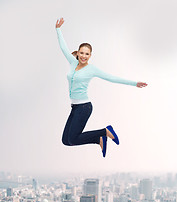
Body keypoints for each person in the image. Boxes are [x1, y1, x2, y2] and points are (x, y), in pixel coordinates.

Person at [55, 17, 147, 157]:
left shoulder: (92, 69)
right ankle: (99, 139)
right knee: (66, 141)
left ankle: (105, 131)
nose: (83, 56)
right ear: (78, 53)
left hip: (84, 108)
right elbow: (63, 48)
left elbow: (112, 78)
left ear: (90, 55)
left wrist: (134, 83)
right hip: (75, 108)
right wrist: (58, 29)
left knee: (73, 138)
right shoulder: (72, 63)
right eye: (81, 53)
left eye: (87, 54)